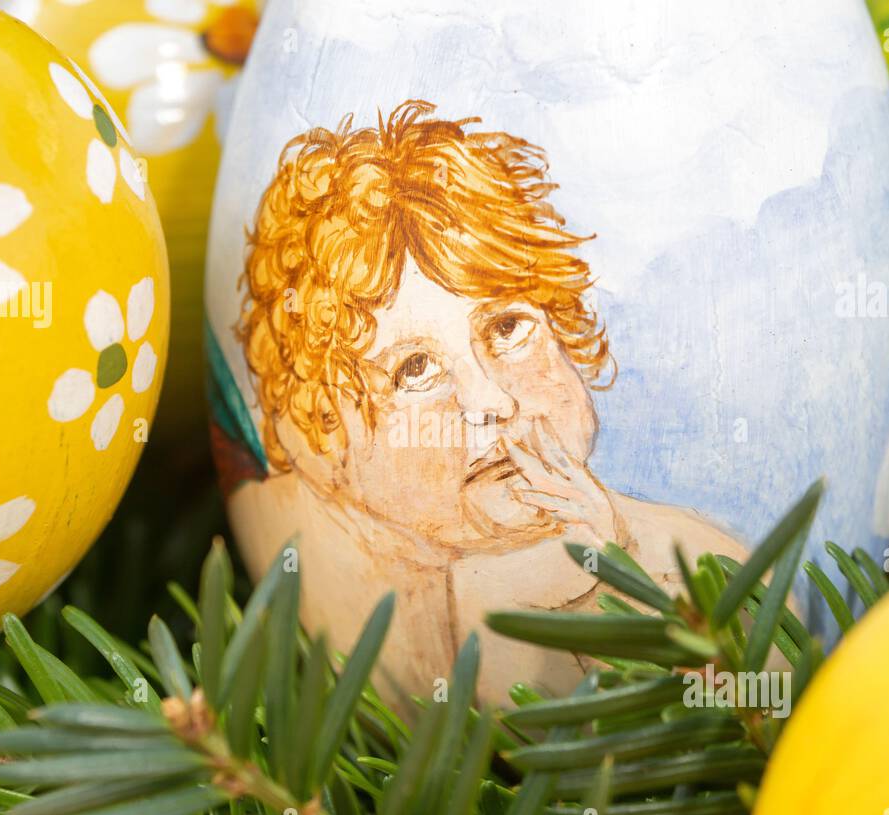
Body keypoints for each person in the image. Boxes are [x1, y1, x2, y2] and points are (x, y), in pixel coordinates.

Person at [222, 100, 743, 709]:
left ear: (564, 326)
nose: (490, 400)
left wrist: (620, 589)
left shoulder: (702, 567)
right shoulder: (336, 581)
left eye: (507, 329)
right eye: (415, 370)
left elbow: (744, 712)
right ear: (328, 432)